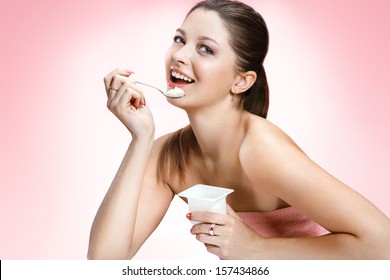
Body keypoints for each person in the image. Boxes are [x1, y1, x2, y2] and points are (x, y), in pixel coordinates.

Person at [88, 0, 390, 259]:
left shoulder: (260, 149)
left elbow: (382, 245)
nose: (179, 56)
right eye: (180, 40)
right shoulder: (169, 157)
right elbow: (105, 261)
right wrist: (140, 138)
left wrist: (255, 249)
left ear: (241, 81)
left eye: (205, 49)